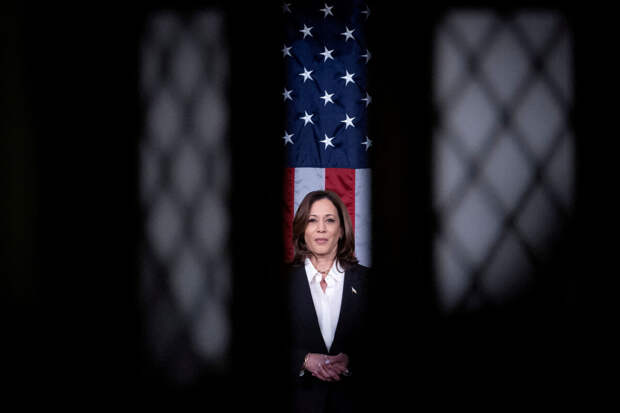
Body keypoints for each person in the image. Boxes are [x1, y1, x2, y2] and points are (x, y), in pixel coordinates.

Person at [288, 190, 369, 413]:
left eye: (330, 220)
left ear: (341, 230)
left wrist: (351, 360)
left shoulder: (368, 281)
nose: (321, 228)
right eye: (312, 220)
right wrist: (304, 360)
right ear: (302, 229)